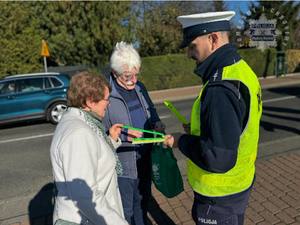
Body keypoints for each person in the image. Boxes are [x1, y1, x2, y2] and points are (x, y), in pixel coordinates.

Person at [166, 11, 263, 225]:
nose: (189, 54)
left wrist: (180, 140)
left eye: (193, 46)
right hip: (239, 184)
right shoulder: (242, 70)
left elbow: (218, 158)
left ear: (213, 39)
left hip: (218, 195)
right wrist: (201, 130)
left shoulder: (219, 87)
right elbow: (239, 125)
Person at [50, 71, 128, 225]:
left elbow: (92, 158)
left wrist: (111, 140)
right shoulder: (79, 133)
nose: (109, 103)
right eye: (107, 99)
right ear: (91, 102)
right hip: (85, 219)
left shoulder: (80, 121)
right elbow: (85, 194)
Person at [103, 42, 165, 225]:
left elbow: (150, 109)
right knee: (125, 208)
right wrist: (123, 136)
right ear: (115, 73)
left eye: (136, 75)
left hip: (145, 157)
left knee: (143, 200)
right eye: (128, 76)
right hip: (123, 162)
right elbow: (99, 130)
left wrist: (156, 122)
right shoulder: (105, 93)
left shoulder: (140, 87)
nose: (133, 81)